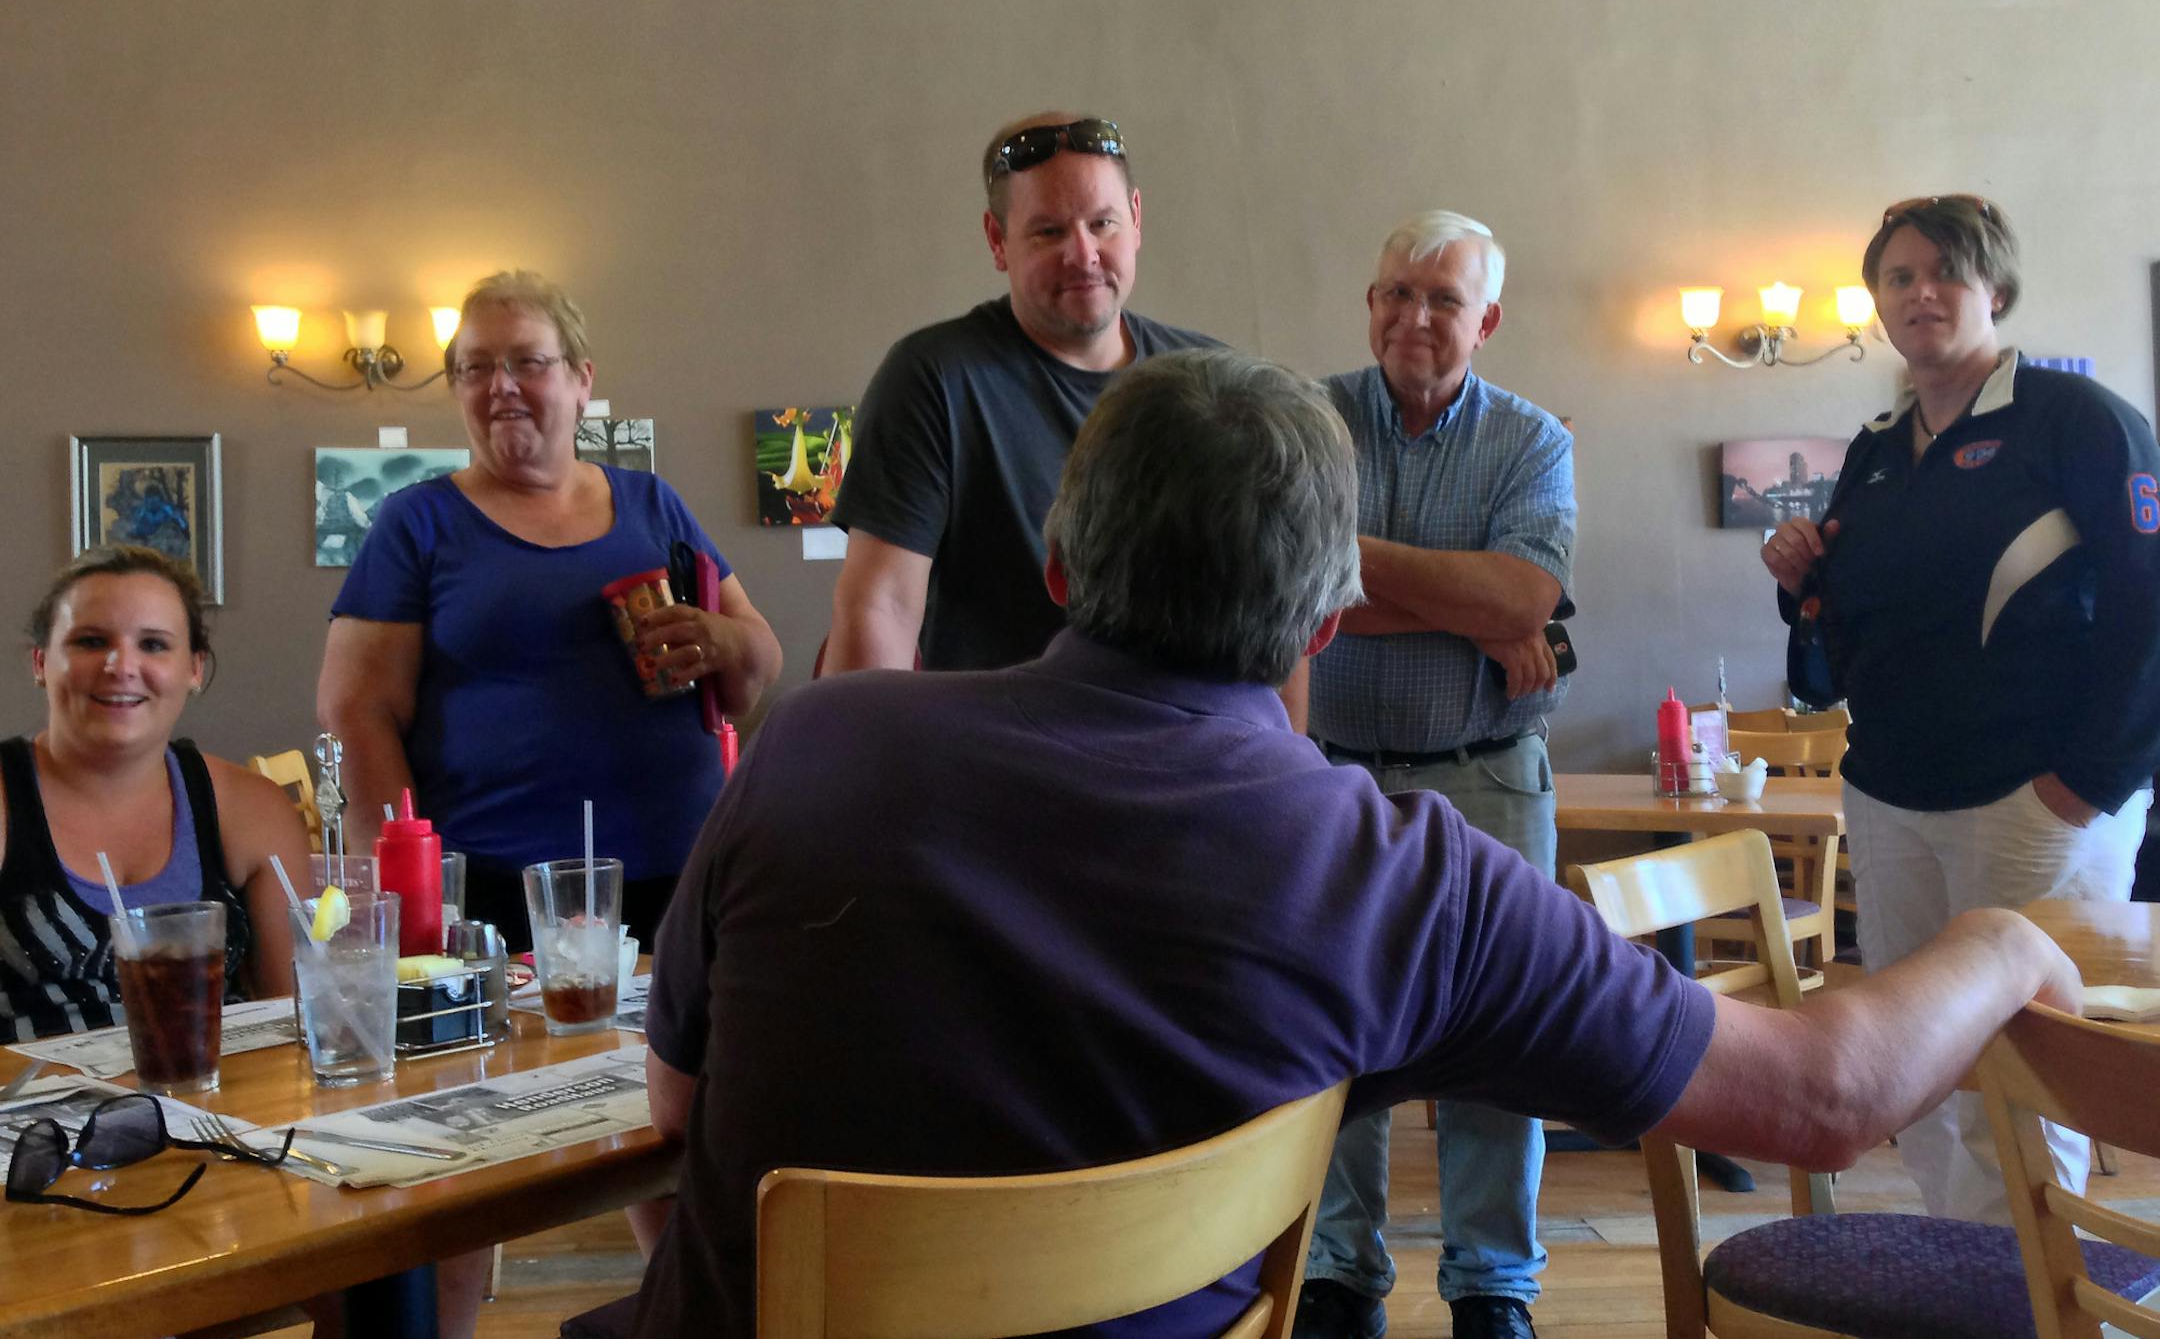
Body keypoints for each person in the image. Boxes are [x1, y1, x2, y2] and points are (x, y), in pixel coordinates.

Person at [632, 348, 2082, 1338]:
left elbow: (676, 1116)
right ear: (1327, 619)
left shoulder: (816, 741)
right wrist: (2003, 939)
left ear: (1062, 568)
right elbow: (1825, 1099)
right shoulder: (1409, 882)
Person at [1761, 194, 2160, 1223]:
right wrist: (1801, 577)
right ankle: (1957, 1274)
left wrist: (2085, 786)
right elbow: (1848, 622)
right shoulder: (1876, 446)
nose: (1922, 292)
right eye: (1899, 277)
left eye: (1946, 271)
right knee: (1919, 1074)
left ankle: (2037, 1293)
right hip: (1889, 797)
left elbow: (2151, 604)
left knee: (2022, 1078)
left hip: (2033, 804)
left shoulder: (2080, 420)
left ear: (1997, 291)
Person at [317, 270, 782, 951]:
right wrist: (405, 895)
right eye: (475, 367)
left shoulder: (653, 503)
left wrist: (722, 640)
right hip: (497, 890)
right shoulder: (415, 523)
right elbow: (357, 712)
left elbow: (759, 659)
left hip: (682, 867)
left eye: (527, 362)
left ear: (581, 379)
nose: (501, 385)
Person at [1300, 212, 1575, 1339]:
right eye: (1397, 293)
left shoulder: (1532, 440)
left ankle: (1493, 1283)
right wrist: (1471, 605)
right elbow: (1292, 582)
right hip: (1328, 778)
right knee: (1331, 1028)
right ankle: (1337, 1270)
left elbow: (1527, 598)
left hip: (1487, 778)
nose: (1415, 317)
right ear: (1371, 304)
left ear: (1486, 320)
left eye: (1443, 300)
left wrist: (1350, 567)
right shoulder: (1308, 420)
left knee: (1500, 1030)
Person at [824, 111, 1218, 674]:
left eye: (1102, 223)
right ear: (997, 240)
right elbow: (879, 607)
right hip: (997, 729)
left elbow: (1281, 609)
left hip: (1189, 728)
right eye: (1049, 231)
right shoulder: (935, 379)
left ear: (1135, 219)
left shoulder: (1214, 382)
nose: (1083, 254)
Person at [2, 546, 301, 1041]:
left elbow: (293, 1023)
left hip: (213, 1088)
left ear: (194, 668)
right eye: (91, 641)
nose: (121, 665)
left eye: (154, 644)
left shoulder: (252, 811)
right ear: (40, 662)